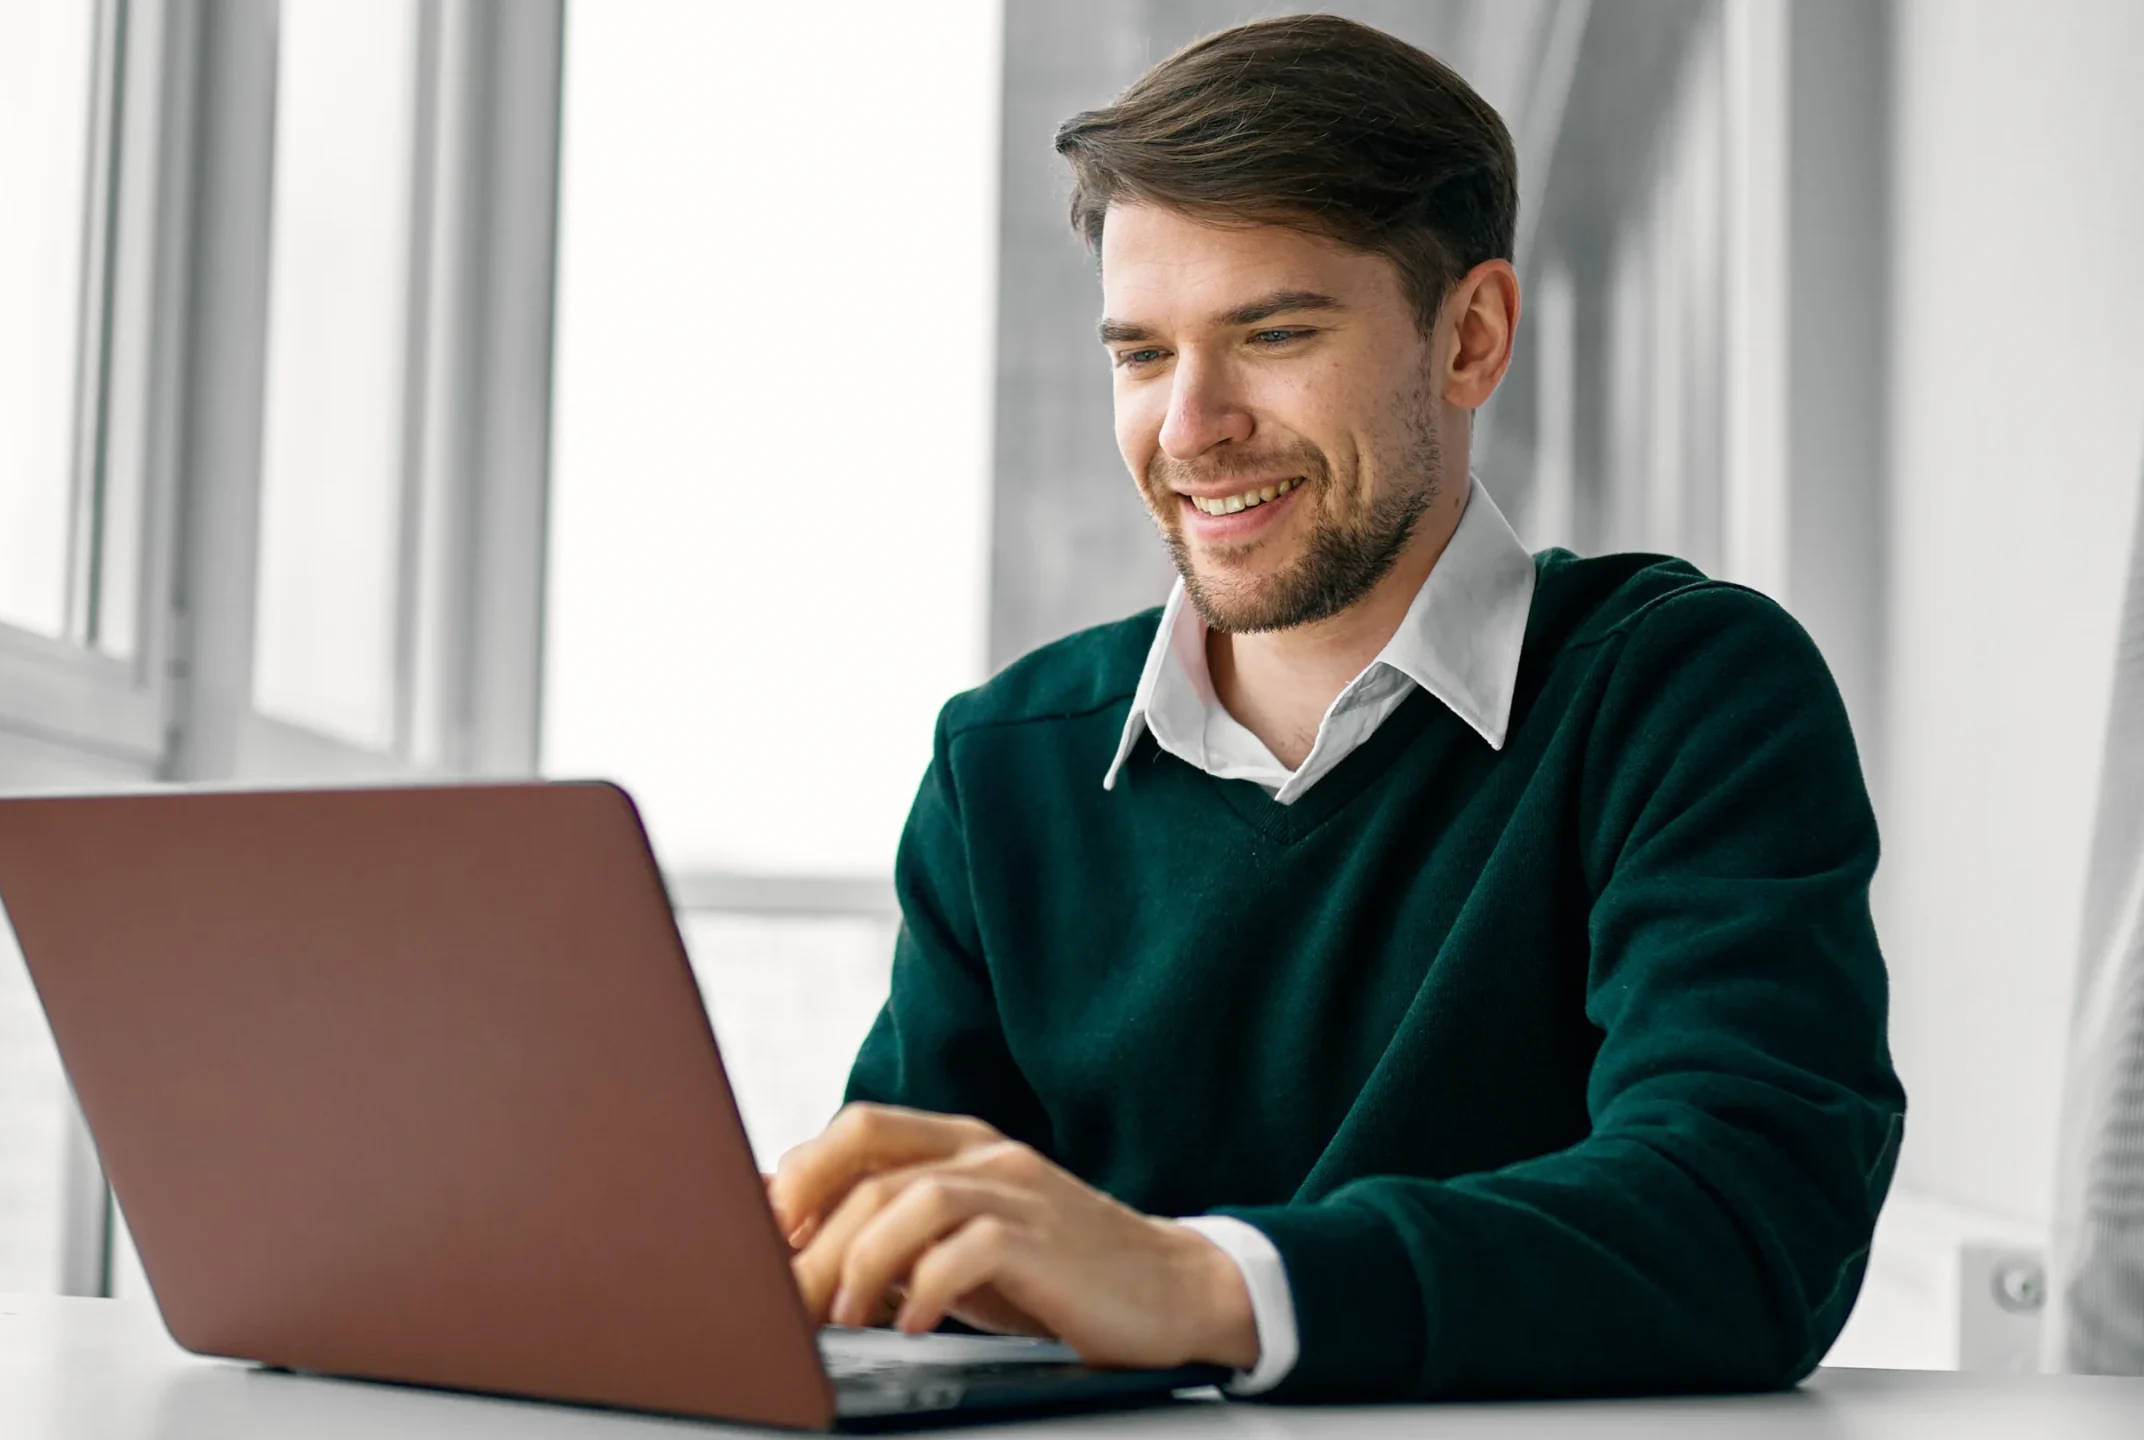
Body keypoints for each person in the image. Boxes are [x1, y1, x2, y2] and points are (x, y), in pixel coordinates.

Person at [763, 13, 1905, 1402]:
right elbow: (904, 1268)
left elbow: (1745, 1221)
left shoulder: (1685, 698)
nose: (1191, 426)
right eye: (1142, 355)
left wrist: (1199, 1284)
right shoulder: (1002, 767)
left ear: (1470, 337)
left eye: (1274, 332)